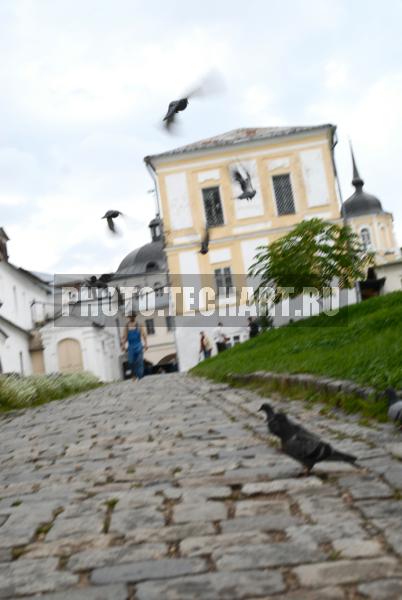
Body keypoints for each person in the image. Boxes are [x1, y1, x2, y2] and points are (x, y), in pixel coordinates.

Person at [121, 313, 148, 381]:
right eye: (130, 316)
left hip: (138, 345)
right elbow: (125, 337)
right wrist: (123, 345)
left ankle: (140, 376)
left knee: (139, 361)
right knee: (131, 361)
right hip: (131, 346)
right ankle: (134, 375)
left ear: (135, 316)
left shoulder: (139, 325)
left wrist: (146, 344)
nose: (131, 317)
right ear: (129, 317)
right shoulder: (127, 326)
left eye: (133, 316)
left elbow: (144, 335)